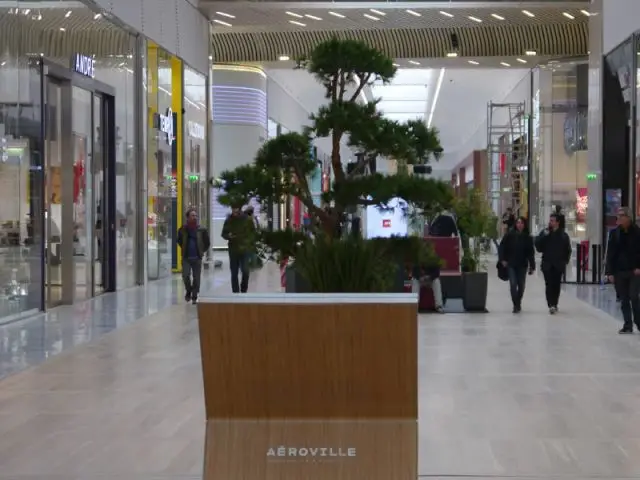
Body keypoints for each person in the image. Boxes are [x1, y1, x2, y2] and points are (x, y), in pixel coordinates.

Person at [605, 207, 640, 334]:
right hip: (619, 271)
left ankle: (638, 321)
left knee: (634, 296)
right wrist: (609, 272)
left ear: (629, 218)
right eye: (618, 215)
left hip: (634, 271)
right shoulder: (615, 234)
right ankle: (627, 324)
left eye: (622, 215)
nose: (619, 218)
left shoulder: (637, 233)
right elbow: (610, 254)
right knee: (624, 298)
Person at [535, 213, 572, 314]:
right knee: (549, 284)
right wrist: (543, 236)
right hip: (547, 263)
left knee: (556, 284)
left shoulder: (563, 236)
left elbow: (568, 250)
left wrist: (565, 261)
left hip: (558, 264)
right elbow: (538, 246)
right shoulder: (545, 232)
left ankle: (555, 303)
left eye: (552, 220)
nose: (550, 222)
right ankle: (550, 304)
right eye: (550, 220)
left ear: (557, 222)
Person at [499, 216, 535, 313]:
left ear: (524, 225)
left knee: (521, 285)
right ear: (515, 224)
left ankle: (518, 301)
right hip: (511, 264)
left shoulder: (527, 237)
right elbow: (502, 247)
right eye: (518, 223)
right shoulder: (509, 235)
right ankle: (515, 304)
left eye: (522, 223)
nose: (519, 225)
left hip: (522, 264)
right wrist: (502, 259)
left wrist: (532, 266)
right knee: (513, 284)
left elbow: (531, 253)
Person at [176, 208, 211, 304]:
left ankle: (194, 295)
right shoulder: (183, 229)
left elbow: (207, 243)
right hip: (186, 257)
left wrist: (201, 251)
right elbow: (179, 241)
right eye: (192, 215)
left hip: (197, 257)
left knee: (196, 277)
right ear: (187, 217)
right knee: (185, 276)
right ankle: (189, 290)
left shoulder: (202, 230)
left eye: (196, 215)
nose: (195, 217)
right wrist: (184, 249)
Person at [221, 205, 256, 293]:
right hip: (233, 249)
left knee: (245, 271)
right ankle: (235, 292)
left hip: (245, 249)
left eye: (236, 208)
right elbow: (223, 233)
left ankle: (244, 289)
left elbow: (253, 233)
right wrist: (228, 236)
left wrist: (250, 243)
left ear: (240, 209)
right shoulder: (229, 220)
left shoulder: (247, 220)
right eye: (233, 208)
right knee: (234, 272)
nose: (234, 211)